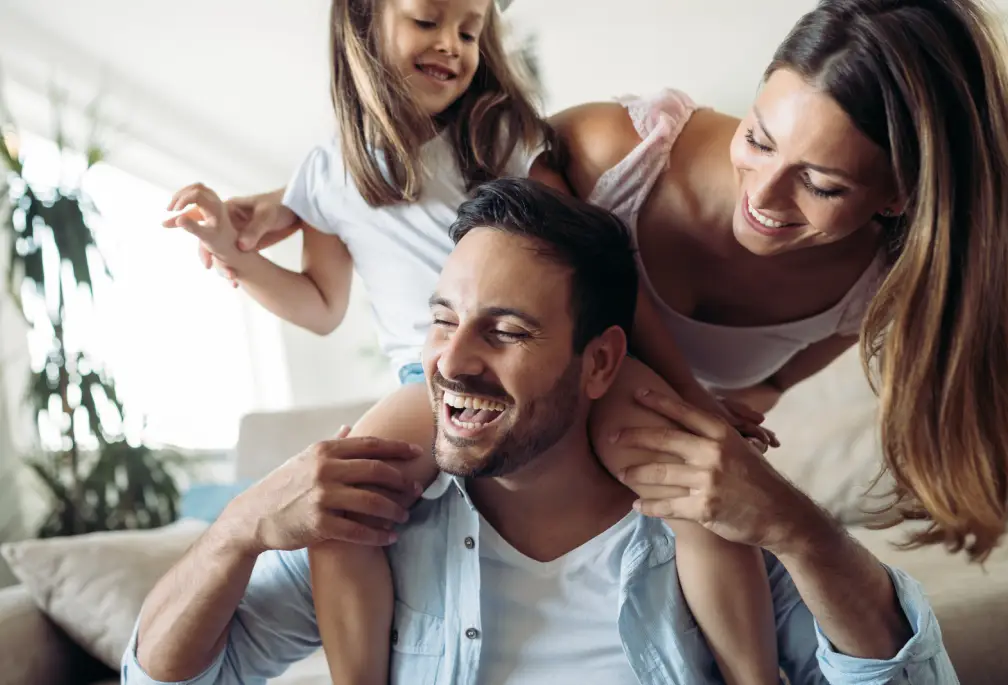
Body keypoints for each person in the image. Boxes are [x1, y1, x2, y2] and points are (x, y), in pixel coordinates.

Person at [227, 0, 1008, 567]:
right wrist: (297, 201)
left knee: (713, 530)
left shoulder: (885, 287)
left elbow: (771, 379)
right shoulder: (610, 152)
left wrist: (734, 416)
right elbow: (457, 166)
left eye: (818, 184)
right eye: (758, 137)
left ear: (901, 197)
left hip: (632, 465)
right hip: (522, 435)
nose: (763, 197)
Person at [165, 0, 782, 683]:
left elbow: (595, 269)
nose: (452, 47)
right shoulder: (324, 176)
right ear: (364, 24)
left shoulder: (499, 138)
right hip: (422, 378)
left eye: (469, 30)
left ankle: (754, 674)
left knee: (694, 487)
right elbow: (318, 307)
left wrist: (692, 399)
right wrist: (237, 255)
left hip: (552, 358)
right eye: (428, 21)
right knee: (344, 508)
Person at [127, 179, 957, 685]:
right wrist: (237, 527)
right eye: (442, 319)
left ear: (600, 364)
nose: (450, 361)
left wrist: (799, 528)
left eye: (506, 331)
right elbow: (164, 677)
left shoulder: (706, 518)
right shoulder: (378, 522)